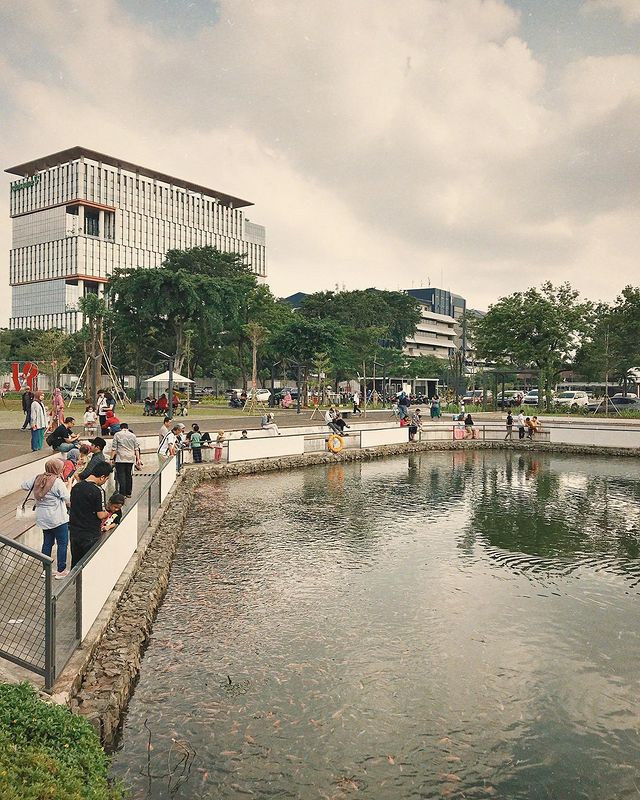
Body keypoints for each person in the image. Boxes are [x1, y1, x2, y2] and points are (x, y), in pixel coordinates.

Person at [21, 458, 71, 579]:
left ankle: (46, 570)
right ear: (57, 469)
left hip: (43, 518)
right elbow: (67, 498)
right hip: (58, 518)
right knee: (62, 543)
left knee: (47, 543)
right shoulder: (57, 482)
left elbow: (23, 485)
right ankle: (61, 570)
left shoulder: (38, 478)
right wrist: (68, 486)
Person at [69, 461, 113, 567]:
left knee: (76, 562)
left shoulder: (77, 487)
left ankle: (76, 583)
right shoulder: (98, 491)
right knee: (90, 564)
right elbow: (100, 515)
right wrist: (108, 513)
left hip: (75, 532)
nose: (105, 481)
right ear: (102, 477)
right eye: (106, 479)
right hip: (90, 533)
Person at [111, 422, 141, 497]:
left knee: (121, 476)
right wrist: (138, 459)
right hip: (130, 458)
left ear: (120, 428)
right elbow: (136, 448)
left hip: (120, 458)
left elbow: (114, 448)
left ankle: (122, 493)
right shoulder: (133, 435)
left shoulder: (117, 434)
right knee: (128, 475)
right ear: (127, 428)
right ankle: (128, 492)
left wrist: (111, 458)